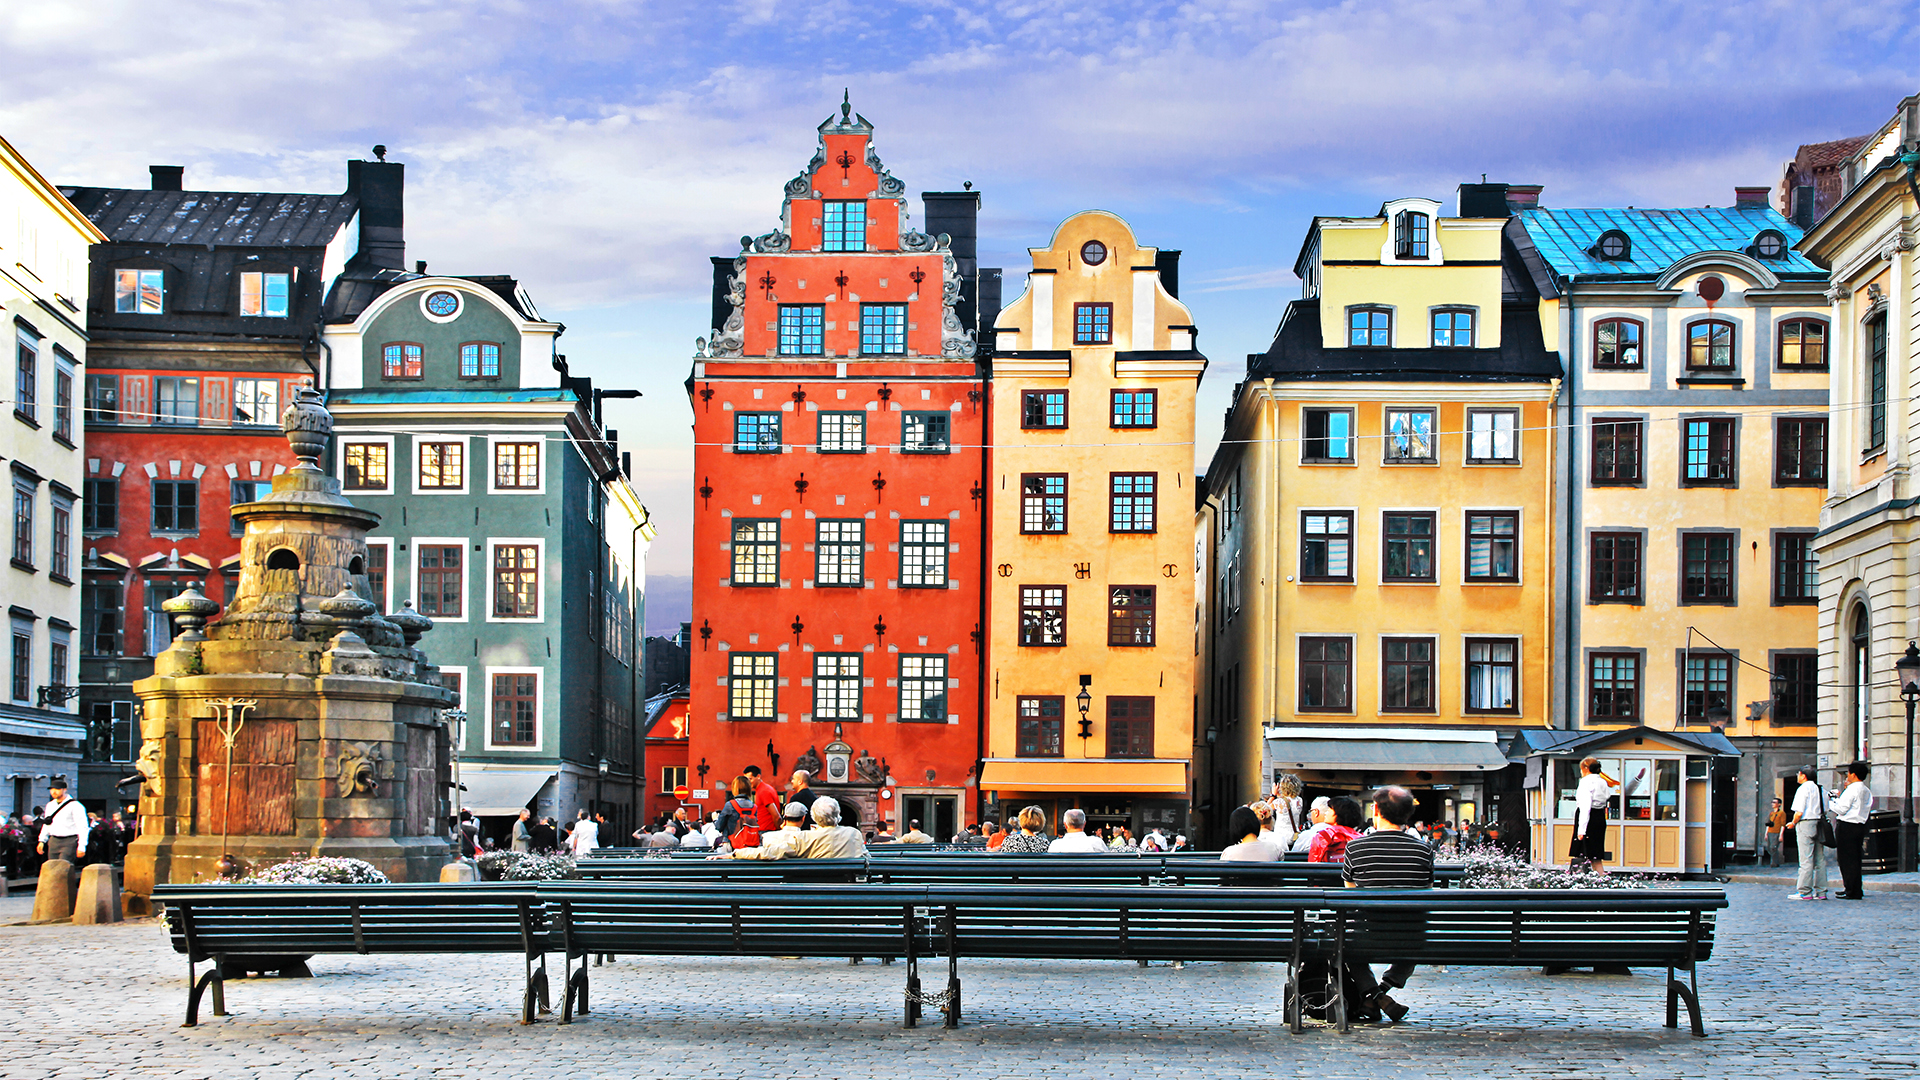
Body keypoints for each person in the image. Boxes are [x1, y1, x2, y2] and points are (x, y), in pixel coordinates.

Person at [1340, 786, 1435, 1023]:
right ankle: (1381, 993)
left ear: (1376, 811)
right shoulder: (1423, 850)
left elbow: (1350, 893)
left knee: (1345, 944)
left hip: (1367, 933)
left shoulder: (1355, 847)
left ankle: (1373, 996)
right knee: (1415, 936)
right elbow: (1427, 890)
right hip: (1410, 937)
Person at [1787, 765, 1830, 900]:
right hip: (1819, 822)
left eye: (1798, 774)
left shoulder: (1803, 789)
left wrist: (1793, 823)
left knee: (1806, 859)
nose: (1797, 776)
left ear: (1803, 775)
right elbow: (1827, 807)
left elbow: (1799, 812)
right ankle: (1821, 891)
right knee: (1820, 859)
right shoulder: (1820, 788)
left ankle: (1804, 891)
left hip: (1805, 823)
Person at [1570, 757, 1619, 872]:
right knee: (1596, 853)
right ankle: (1601, 876)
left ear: (1586, 768)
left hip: (1588, 817)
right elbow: (1607, 796)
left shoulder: (1586, 781)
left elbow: (1585, 806)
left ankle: (1578, 877)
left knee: (1581, 851)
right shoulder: (1602, 781)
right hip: (1599, 816)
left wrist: (1581, 830)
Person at [1832, 762, 1872, 901]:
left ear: (1853, 774)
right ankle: (1855, 889)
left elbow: (1841, 809)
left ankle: (1850, 889)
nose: (1847, 776)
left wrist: (1831, 800)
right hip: (1860, 825)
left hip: (1847, 825)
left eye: (1849, 773)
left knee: (1846, 859)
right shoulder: (1866, 790)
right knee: (1855, 859)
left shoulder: (1852, 789)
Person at [722, 803, 809, 859]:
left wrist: (734, 854)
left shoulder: (767, 837)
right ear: (803, 818)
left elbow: (761, 853)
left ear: (785, 817)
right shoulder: (807, 838)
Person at [36, 778, 88, 866]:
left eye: (57, 789)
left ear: (64, 790)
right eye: (52, 789)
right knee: (52, 866)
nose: (54, 792)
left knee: (64, 866)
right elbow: (47, 823)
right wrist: (42, 840)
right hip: (54, 840)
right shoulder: (50, 805)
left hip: (69, 840)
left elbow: (82, 827)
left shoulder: (75, 806)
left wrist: (82, 846)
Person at [798, 797, 867, 858]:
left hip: (817, 872)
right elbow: (866, 858)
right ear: (838, 813)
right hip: (846, 872)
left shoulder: (805, 837)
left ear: (814, 816)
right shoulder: (853, 833)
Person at [1309, 797, 1362, 862]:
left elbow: (1313, 861)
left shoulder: (1322, 836)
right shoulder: (1360, 838)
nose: (1326, 813)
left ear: (1338, 813)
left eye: (1329, 810)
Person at [716, 776, 759, 849]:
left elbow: (719, 826)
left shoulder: (730, 805)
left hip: (732, 845)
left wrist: (715, 819)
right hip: (750, 845)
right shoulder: (754, 807)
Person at [1270, 774, 1307, 850]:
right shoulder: (1299, 801)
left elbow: (1265, 808)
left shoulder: (1279, 802)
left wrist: (1273, 794)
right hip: (1294, 836)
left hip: (1280, 837)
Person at [742, 765, 782, 833]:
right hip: (766, 830)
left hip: (766, 831)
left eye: (750, 779)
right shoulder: (763, 789)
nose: (747, 782)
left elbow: (776, 816)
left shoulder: (764, 791)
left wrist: (778, 831)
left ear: (758, 776)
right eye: (746, 780)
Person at [1763, 797, 1786, 868]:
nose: (1773, 804)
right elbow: (1768, 824)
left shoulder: (1781, 813)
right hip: (1770, 832)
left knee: (1773, 847)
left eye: (1774, 802)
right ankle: (1774, 861)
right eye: (1772, 802)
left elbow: (1783, 824)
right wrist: (1766, 833)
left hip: (1777, 832)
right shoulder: (1771, 813)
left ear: (1779, 804)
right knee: (1769, 848)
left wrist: (1781, 835)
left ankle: (1774, 862)